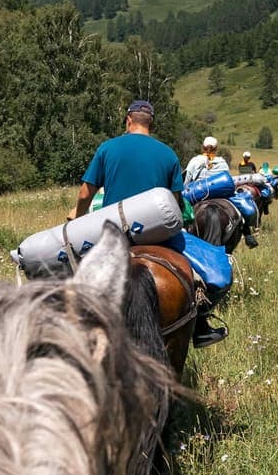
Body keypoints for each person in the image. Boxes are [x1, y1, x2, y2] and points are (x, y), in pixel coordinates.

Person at [74, 100, 226, 347]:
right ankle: (201, 326)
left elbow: (84, 194)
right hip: (158, 234)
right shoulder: (168, 154)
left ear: (128, 120)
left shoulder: (107, 148)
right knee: (198, 274)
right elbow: (175, 203)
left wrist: (78, 217)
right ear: (151, 124)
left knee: (74, 271)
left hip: (115, 233)